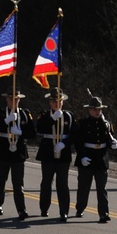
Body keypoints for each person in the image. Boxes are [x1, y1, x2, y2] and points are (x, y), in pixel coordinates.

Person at [72, 94, 117, 223]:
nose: (98, 112)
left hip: (101, 159)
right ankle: (80, 208)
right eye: (95, 109)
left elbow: (108, 139)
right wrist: (82, 157)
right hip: (87, 157)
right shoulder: (82, 124)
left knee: (101, 188)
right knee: (83, 187)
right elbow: (78, 142)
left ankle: (104, 213)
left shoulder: (106, 124)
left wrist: (113, 144)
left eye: (99, 109)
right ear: (89, 110)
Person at [0, 90, 34, 220]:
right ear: (6, 100)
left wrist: (20, 131)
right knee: (1, 180)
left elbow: (32, 133)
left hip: (18, 151)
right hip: (3, 149)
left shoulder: (25, 114)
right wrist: (6, 121)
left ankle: (21, 210)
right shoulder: (1, 113)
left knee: (18, 183)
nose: (13, 101)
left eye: (16, 99)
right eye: (11, 99)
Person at [34, 88, 74, 220]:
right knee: (46, 181)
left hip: (63, 152)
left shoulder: (69, 116)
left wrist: (64, 143)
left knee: (62, 183)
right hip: (48, 152)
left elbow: (74, 135)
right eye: (54, 101)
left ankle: (64, 211)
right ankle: (44, 208)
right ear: (50, 102)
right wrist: (52, 119)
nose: (57, 103)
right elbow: (40, 129)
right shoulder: (44, 114)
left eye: (59, 101)